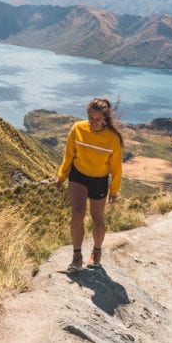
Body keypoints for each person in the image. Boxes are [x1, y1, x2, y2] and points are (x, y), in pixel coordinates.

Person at [55, 97, 124, 271]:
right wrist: (61, 175)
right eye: (91, 118)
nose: (94, 123)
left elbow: (117, 168)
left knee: (97, 218)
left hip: (99, 180)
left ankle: (97, 251)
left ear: (105, 118)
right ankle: (77, 256)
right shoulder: (77, 129)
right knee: (77, 213)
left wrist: (114, 191)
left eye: (98, 119)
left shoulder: (112, 139)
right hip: (78, 175)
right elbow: (68, 155)